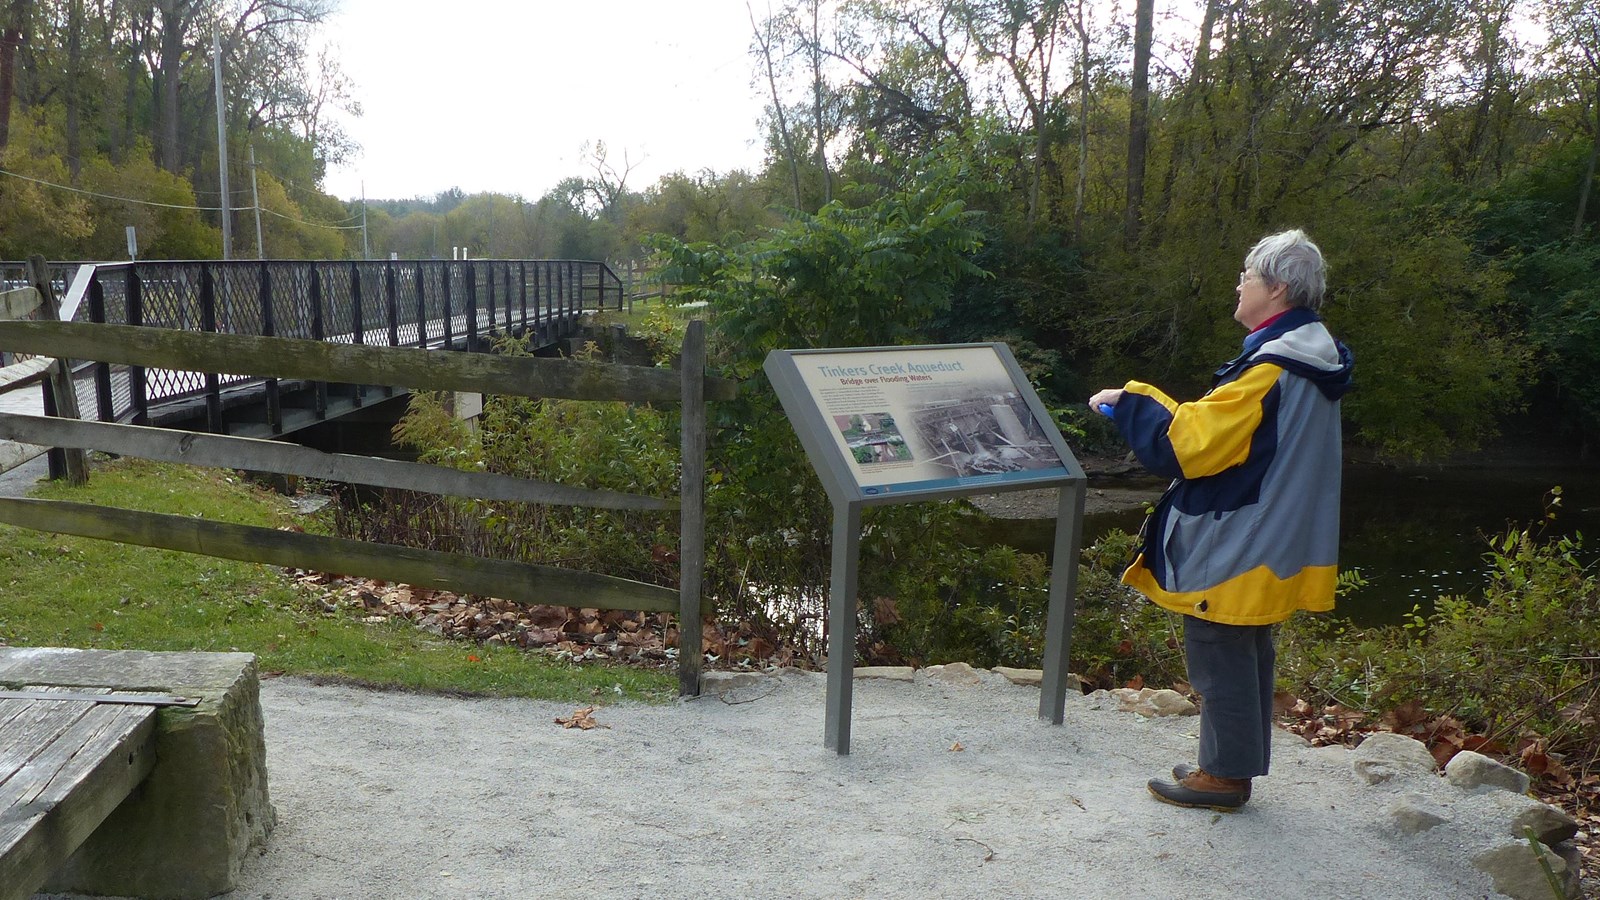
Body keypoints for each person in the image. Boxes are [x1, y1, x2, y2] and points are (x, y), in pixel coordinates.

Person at [1088, 229, 1353, 812]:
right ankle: (1228, 763)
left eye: (1247, 276)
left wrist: (1125, 400)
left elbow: (1187, 446)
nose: (1238, 284)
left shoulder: (1273, 368)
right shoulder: (1311, 354)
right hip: (1275, 533)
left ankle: (1223, 778)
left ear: (1277, 287)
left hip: (1242, 537)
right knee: (1247, 650)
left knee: (1219, 651)